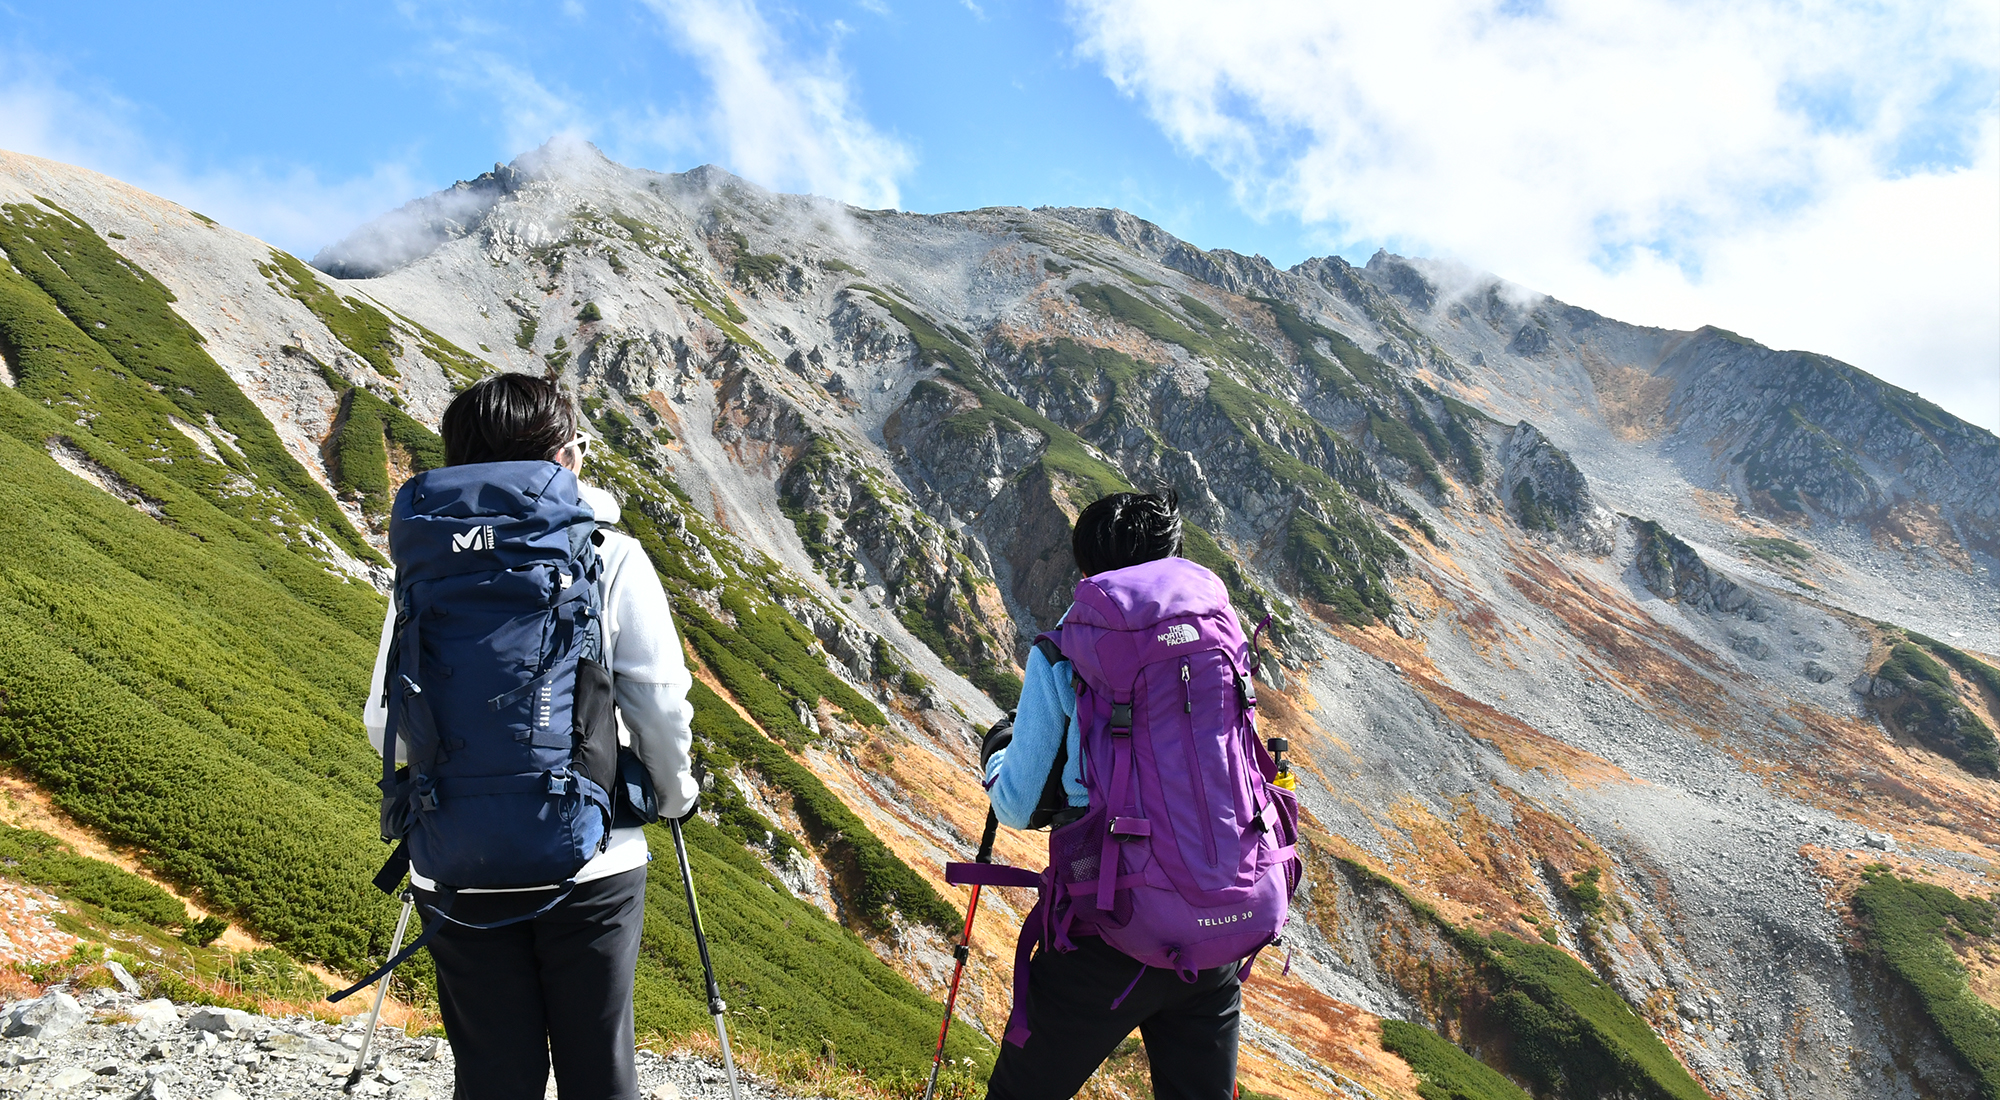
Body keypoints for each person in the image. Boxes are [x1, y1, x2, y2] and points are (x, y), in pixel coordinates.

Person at [362, 373, 697, 1100]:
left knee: (491, 1078)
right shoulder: (608, 552)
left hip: (453, 863)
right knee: (599, 1075)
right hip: (591, 863)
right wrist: (673, 794)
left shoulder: (424, 567)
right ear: (564, 458)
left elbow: (383, 721)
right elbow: (659, 703)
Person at [979, 490, 1274, 1100]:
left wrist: (998, 755)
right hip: (1215, 931)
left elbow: (1014, 803)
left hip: (1107, 933)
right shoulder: (1215, 630)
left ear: (1088, 569)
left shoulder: (1064, 648)